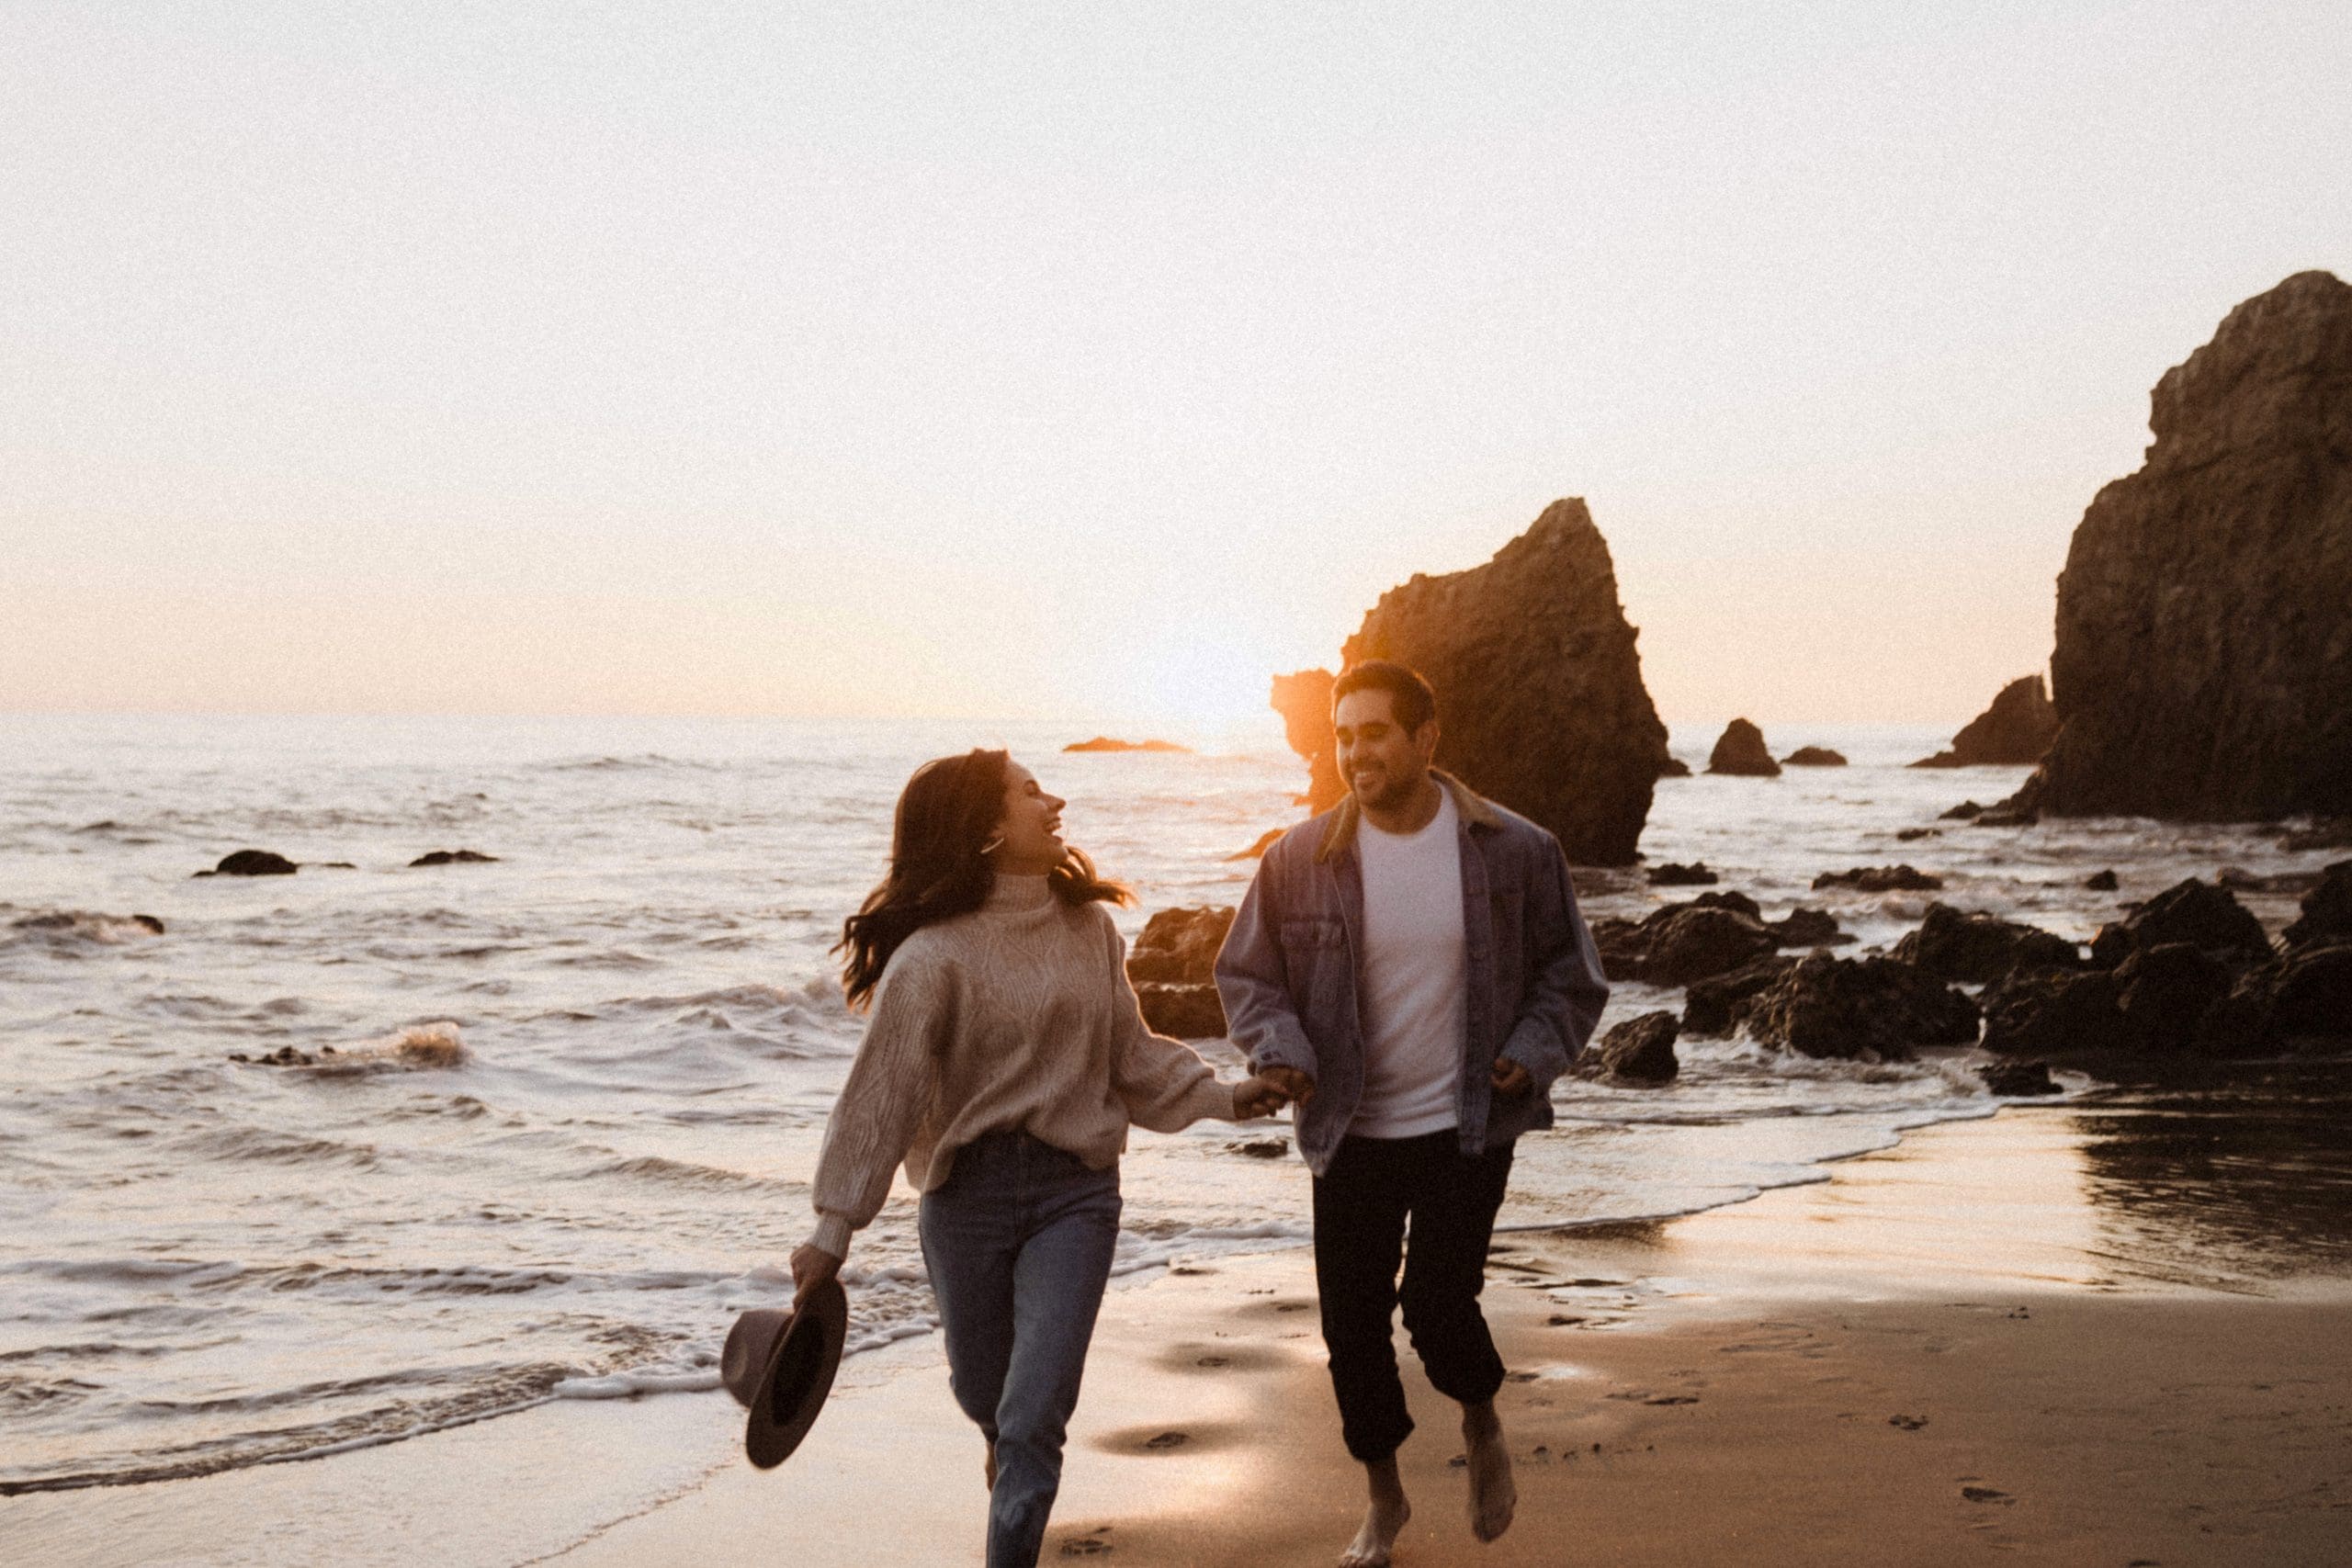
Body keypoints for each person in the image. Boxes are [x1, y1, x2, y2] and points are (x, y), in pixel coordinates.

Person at [790, 748, 1288, 1568]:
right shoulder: (931, 958)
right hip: (965, 1203)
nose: (1054, 801)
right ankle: (1007, 1450)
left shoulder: (1090, 928)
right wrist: (832, 1232)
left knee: (1034, 1415)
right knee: (985, 1397)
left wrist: (1226, 1095)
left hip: (1075, 1194)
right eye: (1030, 792)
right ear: (986, 828)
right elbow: (881, 1099)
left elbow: (1129, 1056)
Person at [1216, 660, 1611, 1567]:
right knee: (1350, 1332)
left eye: (1373, 733)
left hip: (1465, 1122)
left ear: (1424, 738)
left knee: (1436, 1306)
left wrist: (1535, 1049)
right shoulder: (1298, 858)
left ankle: (1480, 1419)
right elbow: (1248, 975)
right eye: (1343, 734)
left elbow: (1572, 974)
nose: (1354, 751)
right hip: (1347, 1128)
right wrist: (1280, 1050)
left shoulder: (1514, 849)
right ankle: (1384, 1503)